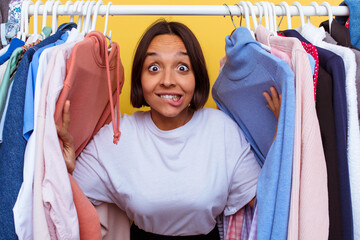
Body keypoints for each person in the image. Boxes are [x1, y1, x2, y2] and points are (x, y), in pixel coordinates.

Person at [57, 20, 281, 239]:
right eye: (154, 68)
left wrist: (283, 134)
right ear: (140, 77)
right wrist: (65, 166)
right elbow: (64, 203)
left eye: (182, 68)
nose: (167, 81)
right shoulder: (116, 136)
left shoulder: (222, 130)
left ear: (197, 76)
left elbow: (265, 204)